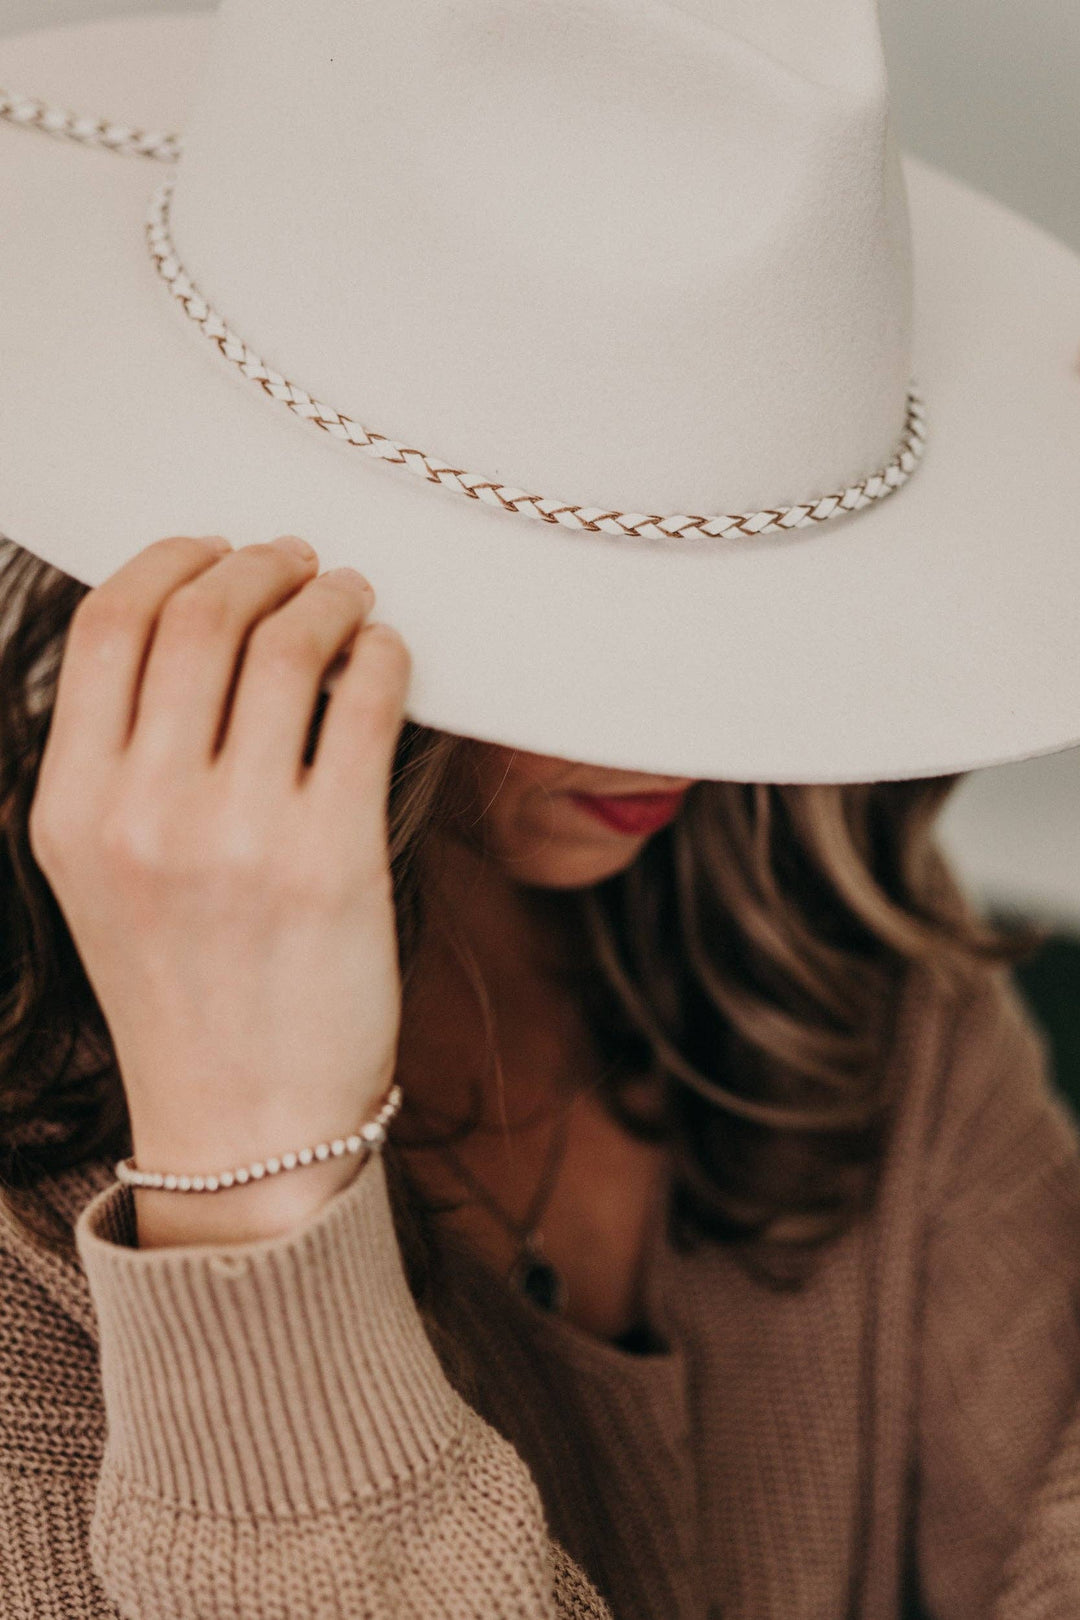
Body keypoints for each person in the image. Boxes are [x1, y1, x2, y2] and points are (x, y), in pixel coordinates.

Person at [1, 1, 1080, 1616]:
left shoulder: (826, 941)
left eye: (746, 589)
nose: (693, 739)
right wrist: (252, 1198)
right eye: (576, 625)